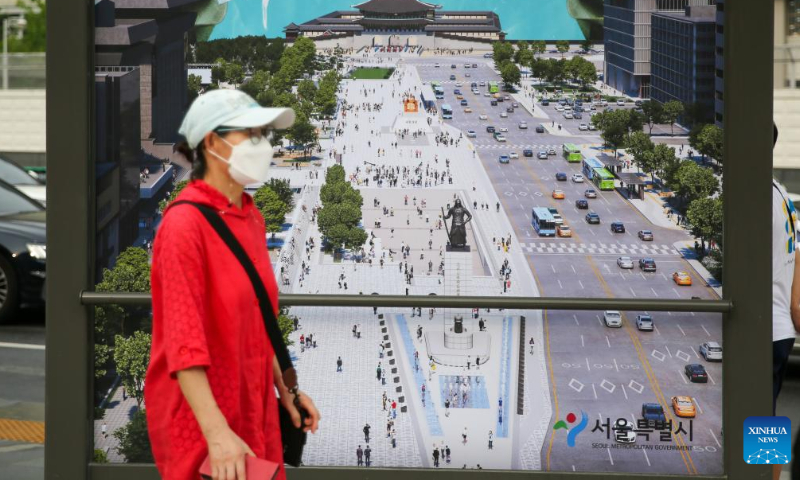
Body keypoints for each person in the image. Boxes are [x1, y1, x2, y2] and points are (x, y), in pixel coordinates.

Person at [145, 89, 320, 480]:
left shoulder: (249, 216)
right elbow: (183, 345)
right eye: (252, 135)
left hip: (252, 404)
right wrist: (217, 432)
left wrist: (287, 393)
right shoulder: (184, 226)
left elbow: (260, 321)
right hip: (204, 422)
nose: (263, 145)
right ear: (212, 142)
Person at [772, 124, 800, 480]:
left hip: (763, 327)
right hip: (780, 324)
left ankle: (768, 477)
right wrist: (795, 310)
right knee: (767, 414)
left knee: (758, 418)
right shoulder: (781, 192)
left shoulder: (756, 196)